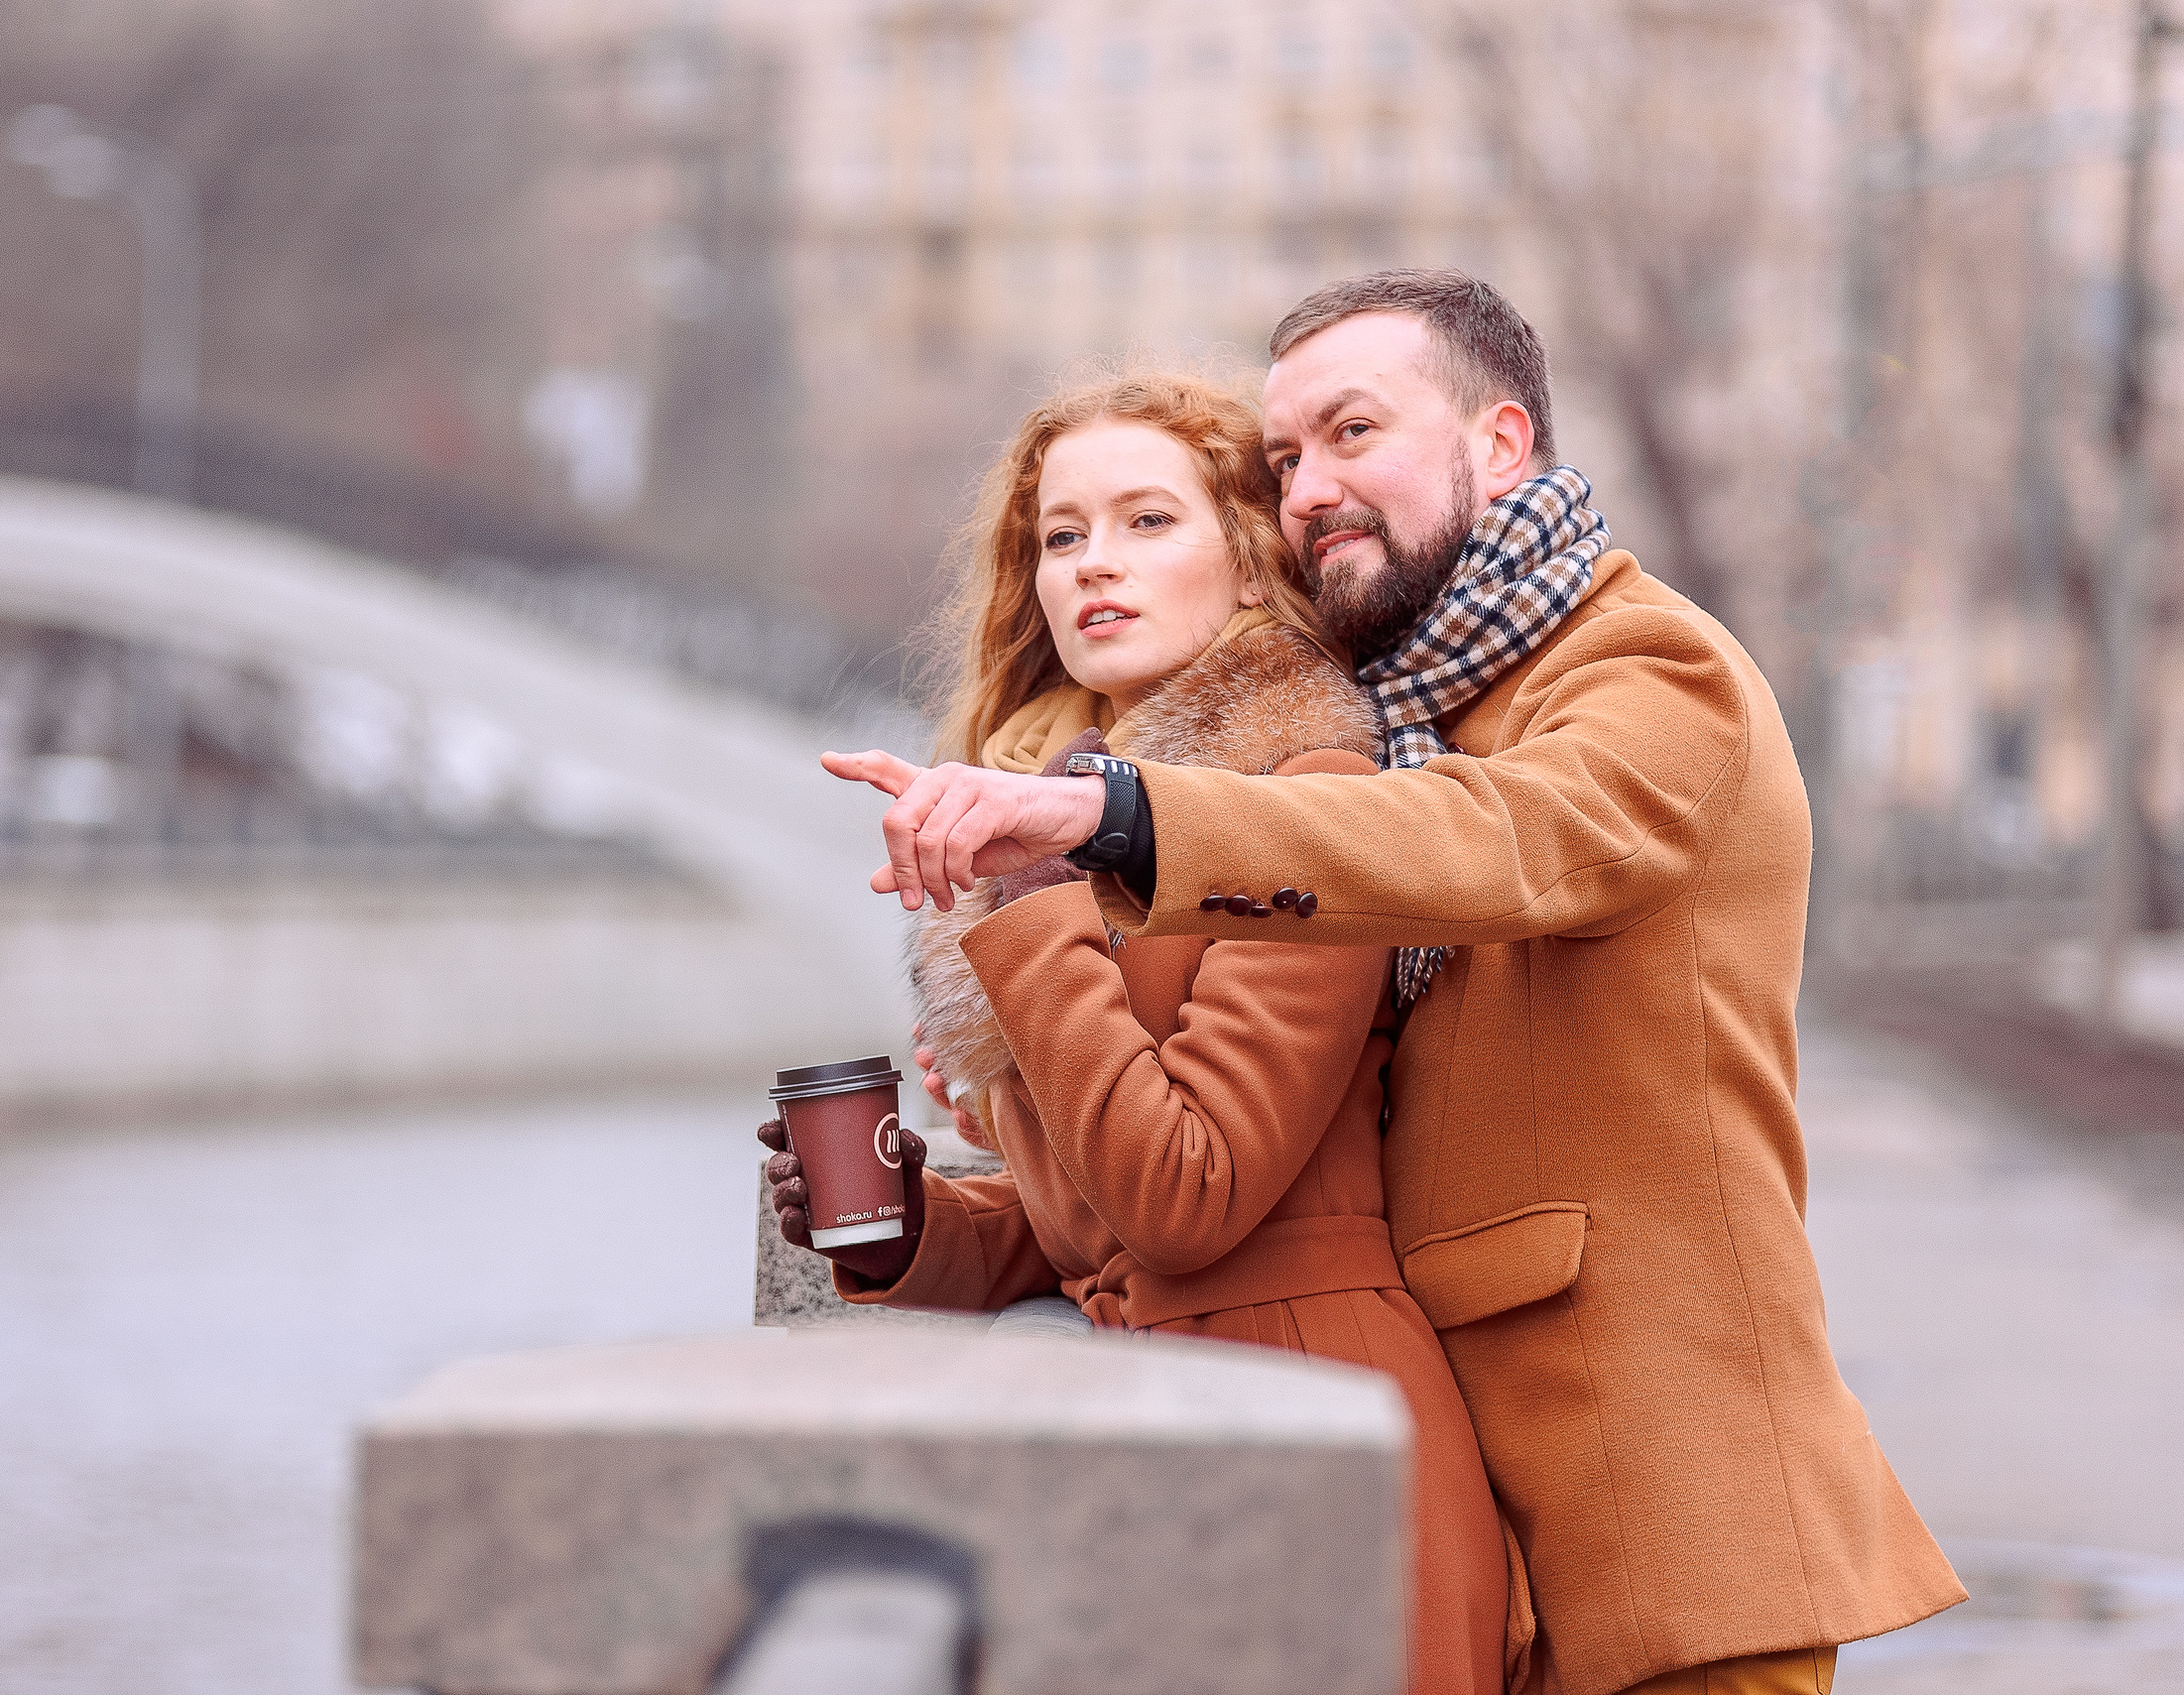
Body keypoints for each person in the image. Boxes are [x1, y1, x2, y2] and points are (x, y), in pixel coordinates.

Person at [821, 274, 1966, 1695]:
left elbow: (1491, 841)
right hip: (1470, 1498)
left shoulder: (1651, 672)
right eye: (1287, 457)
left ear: (1500, 443)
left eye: (1354, 432)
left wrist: (1113, 820)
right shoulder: (1424, 708)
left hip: (1666, 1530)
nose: (1309, 488)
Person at [762, 368, 1510, 1694]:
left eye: (1148, 521)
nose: (1092, 564)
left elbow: (1184, 1194)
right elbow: (1087, 1238)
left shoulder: (1309, 797)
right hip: (1137, 1456)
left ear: (1249, 560)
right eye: (1060, 535)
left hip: (1313, 1438)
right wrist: (896, 1221)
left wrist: (1033, 897)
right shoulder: (1038, 806)